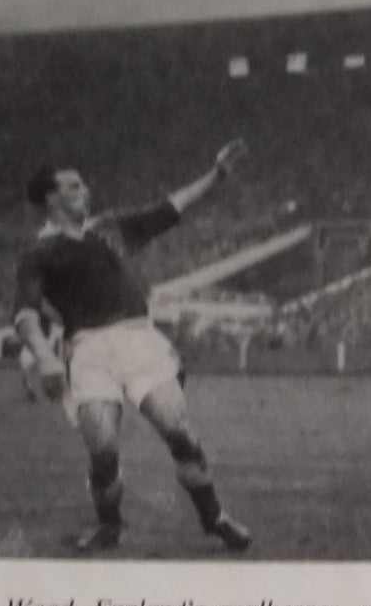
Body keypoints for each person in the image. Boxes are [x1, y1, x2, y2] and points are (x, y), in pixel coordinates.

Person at [14, 143, 251, 555]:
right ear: (51, 198)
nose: (85, 190)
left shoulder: (108, 229)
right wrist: (47, 357)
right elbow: (25, 315)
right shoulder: (39, 254)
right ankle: (108, 525)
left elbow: (169, 209)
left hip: (139, 341)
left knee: (179, 432)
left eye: (83, 184)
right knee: (103, 450)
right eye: (73, 186)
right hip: (88, 351)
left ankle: (215, 518)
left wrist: (217, 175)